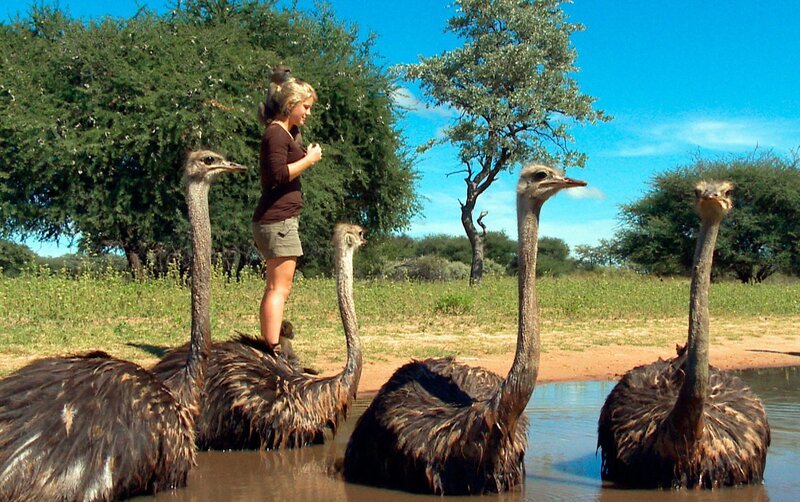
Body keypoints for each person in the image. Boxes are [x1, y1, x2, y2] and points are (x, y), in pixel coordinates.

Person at [252, 76, 322, 352]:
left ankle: (271, 348)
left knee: (277, 287)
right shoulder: (276, 134)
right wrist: (309, 160)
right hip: (277, 221)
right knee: (278, 289)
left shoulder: (284, 133)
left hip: (280, 220)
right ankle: (272, 351)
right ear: (291, 104)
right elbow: (277, 175)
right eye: (305, 106)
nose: (308, 113)